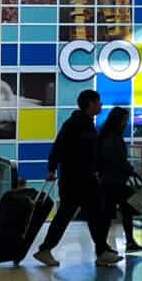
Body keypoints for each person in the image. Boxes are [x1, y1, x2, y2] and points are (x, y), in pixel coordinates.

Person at [33, 90, 122, 268]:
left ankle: (102, 251)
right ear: (90, 104)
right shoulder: (74, 124)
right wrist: (51, 168)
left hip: (86, 179)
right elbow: (58, 146)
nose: (101, 105)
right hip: (74, 180)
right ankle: (45, 249)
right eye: (98, 102)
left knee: (96, 215)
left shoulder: (88, 124)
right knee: (67, 215)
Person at [97, 107, 142, 254]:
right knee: (115, 213)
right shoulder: (112, 137)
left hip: (113, 180)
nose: (126, 123)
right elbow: (117, 159)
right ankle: (104, 246)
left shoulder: (108, 135)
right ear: (118, 120)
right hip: (114, 181)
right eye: (125, 119)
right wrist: (132, 172)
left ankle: (123, 243)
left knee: (121, 212)